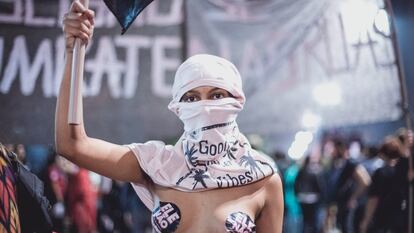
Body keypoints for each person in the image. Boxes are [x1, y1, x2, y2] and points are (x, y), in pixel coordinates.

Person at [55, 1, 284, 233]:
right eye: (192, 98)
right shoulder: (159, 165)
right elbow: (72, 145)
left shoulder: (263, 177)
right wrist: (73, 52)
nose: (204, 107)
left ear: (237, 99)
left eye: (216, 95)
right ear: (177, 106)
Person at [359, 136, 407, 233]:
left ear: (382, 154)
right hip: (402, 216)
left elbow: (373, 199)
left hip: (383, 218)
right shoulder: (404, 170)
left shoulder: (380, 173)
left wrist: (366, 220)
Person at [324, 137, 371, 233]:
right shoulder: (337, 165)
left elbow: (365, 181)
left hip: (349, 207)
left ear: (341, 149)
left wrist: (353, 197)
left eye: (334, 149)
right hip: (340, 206)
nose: (332, 152)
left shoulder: (351, 164)